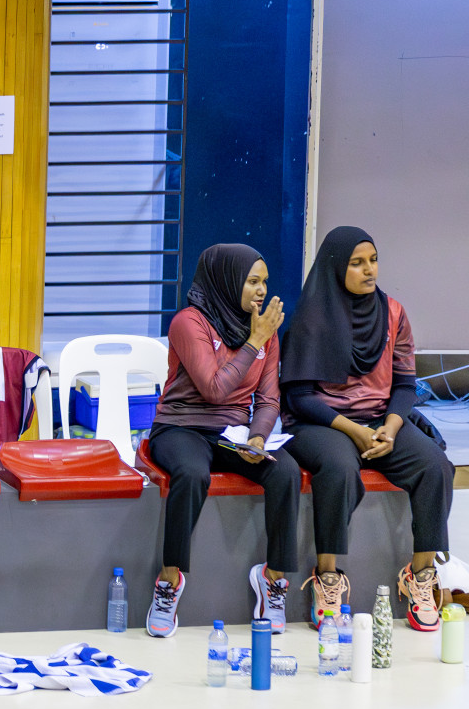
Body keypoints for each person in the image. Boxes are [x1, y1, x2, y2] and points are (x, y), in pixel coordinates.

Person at [281, 226, 455, 631]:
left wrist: (391, 429)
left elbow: (405, 385)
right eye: (357, 263)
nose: (369, 270)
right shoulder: (311, 317)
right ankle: (327, 576)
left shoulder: (393, 313)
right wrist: (355, 432)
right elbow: (300, 397)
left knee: (434, 466)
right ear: (335, 267)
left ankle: (420, 574)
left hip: (381, 419)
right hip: (321, 421)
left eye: (373, 260)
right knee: (340, 468)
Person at [143, 245, 301, 636]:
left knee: (287, 472)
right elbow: (214, 389)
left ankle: (273, 579)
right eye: (252, 281)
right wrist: (254, 342)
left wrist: (259, 438)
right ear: (228, 281)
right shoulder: (189, 322)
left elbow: (267, 399)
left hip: (230, 434)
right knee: (192, 474)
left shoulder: (265, 329)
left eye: (264, 281)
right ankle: (168, 581)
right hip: (180, 428)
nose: (261, 290)